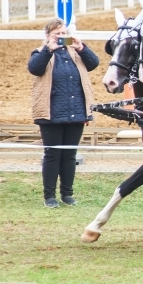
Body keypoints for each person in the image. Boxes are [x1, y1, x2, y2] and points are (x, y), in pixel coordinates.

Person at [28, 18, 99, 208]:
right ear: (47, 36)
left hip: (76, 113)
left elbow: (94, 63)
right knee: (52, 155)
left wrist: (81, 47)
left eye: (63, 33)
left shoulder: (75, 53)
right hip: (50, 113)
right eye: (56, 34)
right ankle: (49, 196)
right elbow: (34, 68)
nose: (61, 37)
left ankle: (67, 194)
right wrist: (48, 49)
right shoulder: (40, 53)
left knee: (69, 155)